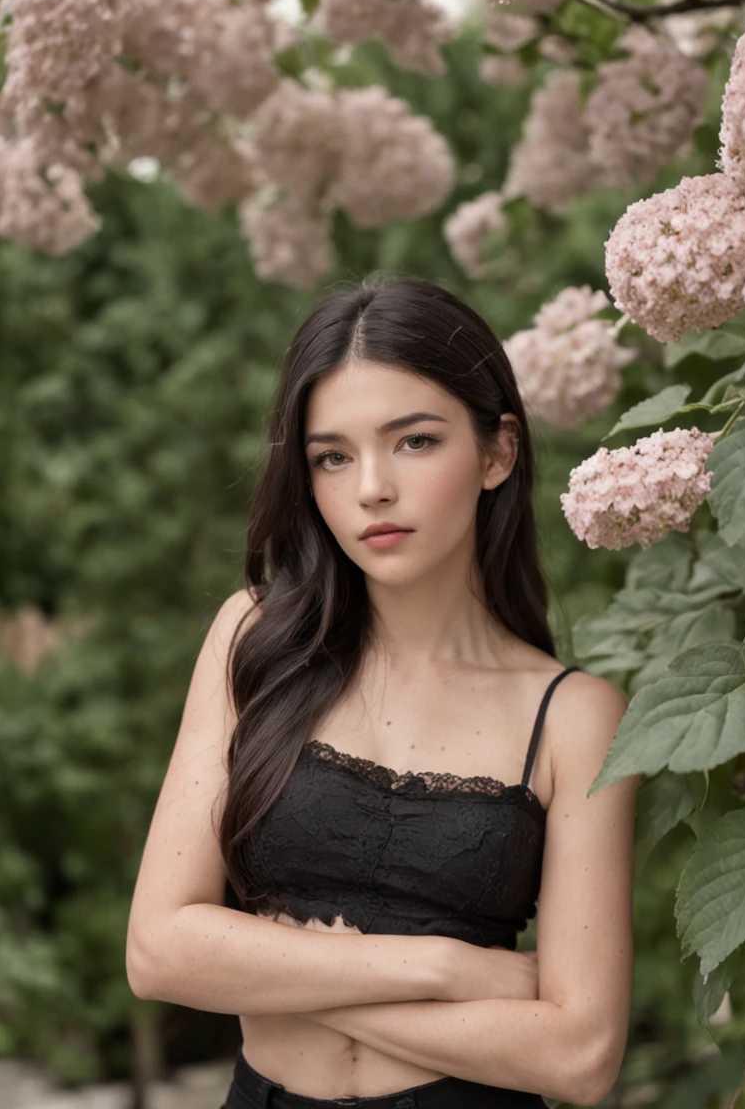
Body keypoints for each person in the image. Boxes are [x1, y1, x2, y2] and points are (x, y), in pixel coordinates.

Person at [125, 274, 639, 1109]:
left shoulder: (577, 717)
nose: (371, 488)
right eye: (333, 455)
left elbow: (578, 1053)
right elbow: (159, 952)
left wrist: (277, 971)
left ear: (497, 452)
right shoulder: (253, 639)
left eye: (414, 441)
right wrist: (445, 969)